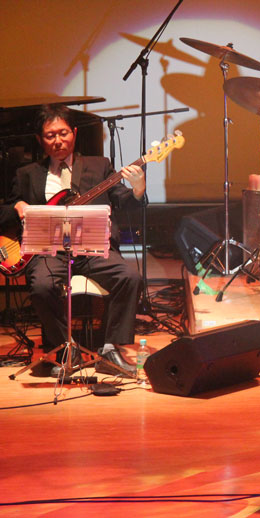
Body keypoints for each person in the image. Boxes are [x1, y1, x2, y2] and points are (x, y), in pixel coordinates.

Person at [8, 104, 144, 377]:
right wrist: (17, 206)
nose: (58, 140)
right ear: (40, 140)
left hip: (92, 247)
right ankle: (65, 350)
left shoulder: (99, 166)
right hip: (48, 252)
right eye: (50, 135)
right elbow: (6, 212)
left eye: (63, 133)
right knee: (42, 286)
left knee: (129, 277)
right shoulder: (27, 173)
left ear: (75, 133)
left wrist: (138, 189)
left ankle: (110, 349)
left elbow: (124, 200)